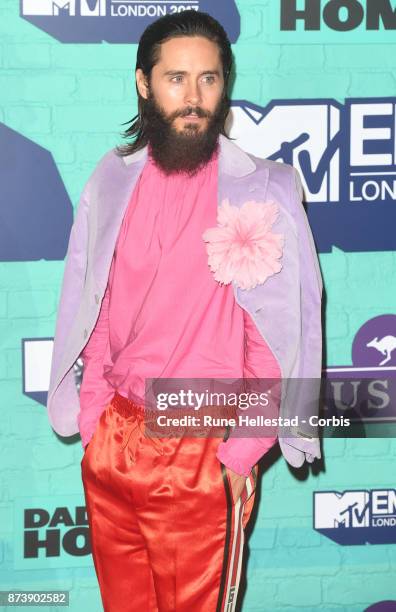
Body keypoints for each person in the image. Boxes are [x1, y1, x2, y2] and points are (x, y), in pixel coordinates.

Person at [46, 10, 323, 612]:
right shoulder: (111, 181)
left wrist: (239, 451)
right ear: (144, 83)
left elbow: (280, 334)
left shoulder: (265, 189)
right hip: (114, 438)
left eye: (209, 79)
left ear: (225, 85)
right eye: (176, 79)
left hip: (203, 441)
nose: (194, 98)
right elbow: (96, 306)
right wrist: (95, 418)